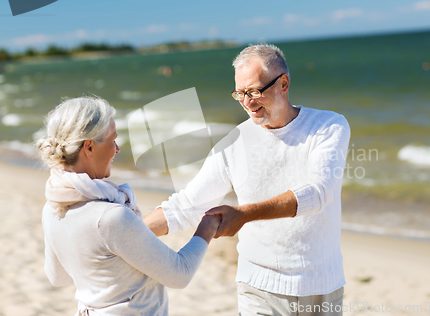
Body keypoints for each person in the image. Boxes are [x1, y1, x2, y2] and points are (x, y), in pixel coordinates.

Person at [144, 44, 351, 316]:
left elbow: (319, 193)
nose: (247, 102)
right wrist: (122, 232)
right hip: (258, 288)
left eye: (254, 91)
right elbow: (186, 206)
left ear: (284, 83)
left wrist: (244, 214)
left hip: (323, 288)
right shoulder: (232, 144)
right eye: (240, 93)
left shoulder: (328, 127)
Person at [37, 97, 221, 316]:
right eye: (112, 140)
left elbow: (58, 277)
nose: (117, 149)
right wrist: (208, 226)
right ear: (89, 147)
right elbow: (180, 274)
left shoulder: (52, 209)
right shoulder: (110, 217)